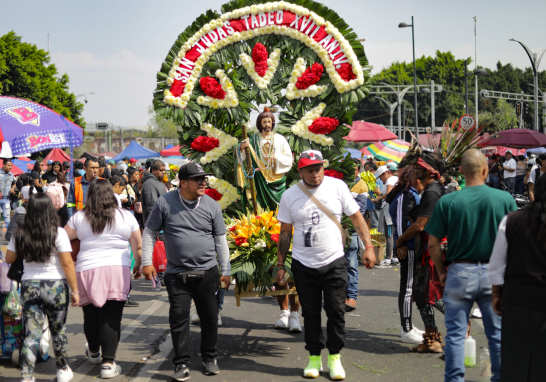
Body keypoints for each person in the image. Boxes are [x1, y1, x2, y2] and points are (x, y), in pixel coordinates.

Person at [275, 150, 376, 380]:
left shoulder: (337, 187)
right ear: (300, 171)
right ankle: (313, 358)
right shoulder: (289, 196)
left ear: (323, 167)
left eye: (318, 168)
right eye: (309, 170)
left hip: (333, 262)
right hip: (303, 264)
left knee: (336, 311)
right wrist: (281, 265)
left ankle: (335, 358)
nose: (314, 174)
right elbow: (285, 232)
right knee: (310, 314)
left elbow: (357, 218)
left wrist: (368, 247)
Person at [426, 149, 517, 382]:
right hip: (494, 275)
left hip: (459, 272)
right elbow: (515, 240)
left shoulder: (448, 201)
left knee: (455, 336)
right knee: (497, 335)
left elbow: (434, 244)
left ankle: (455, 379)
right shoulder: (504, 199)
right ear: (486, 170)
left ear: (461, 172)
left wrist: (443, 272)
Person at [141, 162, 231, 381]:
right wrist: (146, 261)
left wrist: (226, 270)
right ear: (182, 183)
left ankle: (209, 357)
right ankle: (181, 363)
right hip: (177, 275)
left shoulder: (211, 205)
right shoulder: (165, 202)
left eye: (204, 178)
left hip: (207, 272)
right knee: (178, 318)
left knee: (209, 318)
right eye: (198, 179)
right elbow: (150, 232)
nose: (203, 182)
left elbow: (220, 240)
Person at [64, 179, 142, 379]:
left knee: (90, 315)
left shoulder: (79, 217)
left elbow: (62, 239)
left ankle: (94, 352)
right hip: (118, 269)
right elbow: (138, 247)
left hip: (86, 269)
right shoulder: (127, 216)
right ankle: (108, 363)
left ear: (90, 196)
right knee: (112, 317)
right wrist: (139, 266)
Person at [4, 193, 79, 382]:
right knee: (58, 330)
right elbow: (68, 263)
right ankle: (62, 370)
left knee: (32, 333)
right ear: (50, 210)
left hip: (30, 286)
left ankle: (27, 375)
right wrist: (75, 290)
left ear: (29, 210)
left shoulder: (20, 232)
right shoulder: (58, 232)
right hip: (56, 286)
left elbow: (9, 259)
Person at [489, 174, 546, 382]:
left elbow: (496, 263)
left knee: (515, 359)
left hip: (516, 300)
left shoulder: (512, 219)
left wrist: (496, 292)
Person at [395, 152, 446, 353]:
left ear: (430, 172)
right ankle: (431, 339)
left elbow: (420, 225)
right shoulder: (432, 189)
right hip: (429, 248)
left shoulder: (433, 192)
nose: (416, 170)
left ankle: (459, 317)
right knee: (422, 294)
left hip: (433, 249)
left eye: (420, 168)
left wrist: (400, 239)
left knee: (428, 294)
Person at [386, 166, 425, 344]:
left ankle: (407, 325)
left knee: (409, 286)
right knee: (408, 288)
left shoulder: (407, 192)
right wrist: (402, 243)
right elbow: (403, 222)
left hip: (408, 245)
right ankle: (406, 327)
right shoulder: (407, 193)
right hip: (407, 246)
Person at [239, 108, 293, 211]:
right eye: (264, 122)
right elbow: (242, 156)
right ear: (260, 124)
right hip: (259, 179)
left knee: (280, 207)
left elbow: (288, 158)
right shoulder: (253, 140)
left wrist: (275, 159)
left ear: (272, 123)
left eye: (269, 121)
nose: (267, 124)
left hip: (277, 179)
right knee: (261, 208)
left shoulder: (280, 139)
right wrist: (241, 147)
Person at [345, 158, 368, 311]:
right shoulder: (340, 183)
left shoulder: (362, 186)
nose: (350, 172)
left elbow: (360, 211)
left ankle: (351, 297)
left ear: (358, 170)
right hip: (336, 231)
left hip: (352, 231)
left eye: (352, 169)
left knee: (351, 265)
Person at [373, 166, 399, 267]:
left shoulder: (390, 179)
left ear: (385, 173)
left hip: (388, 209)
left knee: (389, 235)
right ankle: (394, 257)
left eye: (380, 177)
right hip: (391, 208)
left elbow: (388, 194)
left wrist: (378, 198)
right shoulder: (395, 179)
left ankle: (388, 259)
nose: (380, 179)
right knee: (392, 233)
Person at [141, 160, 168, 225]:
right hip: (156, 228)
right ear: (153, 170)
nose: (163, 172)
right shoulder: (149, 184)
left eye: (164, 170)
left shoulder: (158, 182)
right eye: (161, 170)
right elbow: (152, 207)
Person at [0, 159, 16, 229]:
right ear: (3, 165)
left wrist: (13, 188)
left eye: (11, 166)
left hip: (6, 199)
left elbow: (14, 184)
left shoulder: (11, 175)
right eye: (8, 165)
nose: (10, 167)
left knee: (7, 217)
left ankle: (9, 236)